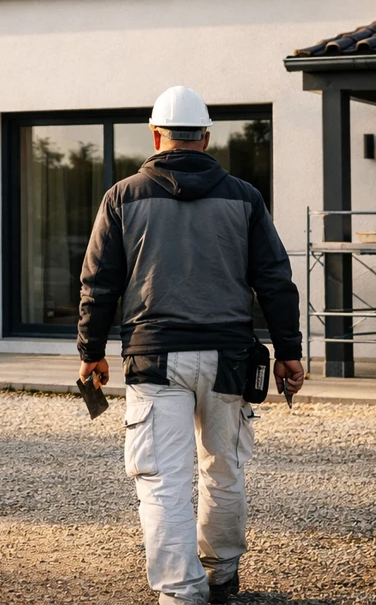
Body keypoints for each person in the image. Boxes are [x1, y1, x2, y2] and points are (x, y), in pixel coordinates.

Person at [77, 86, 304, 605]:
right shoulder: (244, 197)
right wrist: (289, 351)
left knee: (162, 480)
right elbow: (274, 279)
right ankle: (222, 574)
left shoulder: (122, 196)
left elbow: (98, 283)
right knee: (223, 469)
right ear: (206, 136)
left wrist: (91, 351)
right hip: (229, 357)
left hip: (154, 359)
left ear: (156, 135)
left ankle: (181, 594)